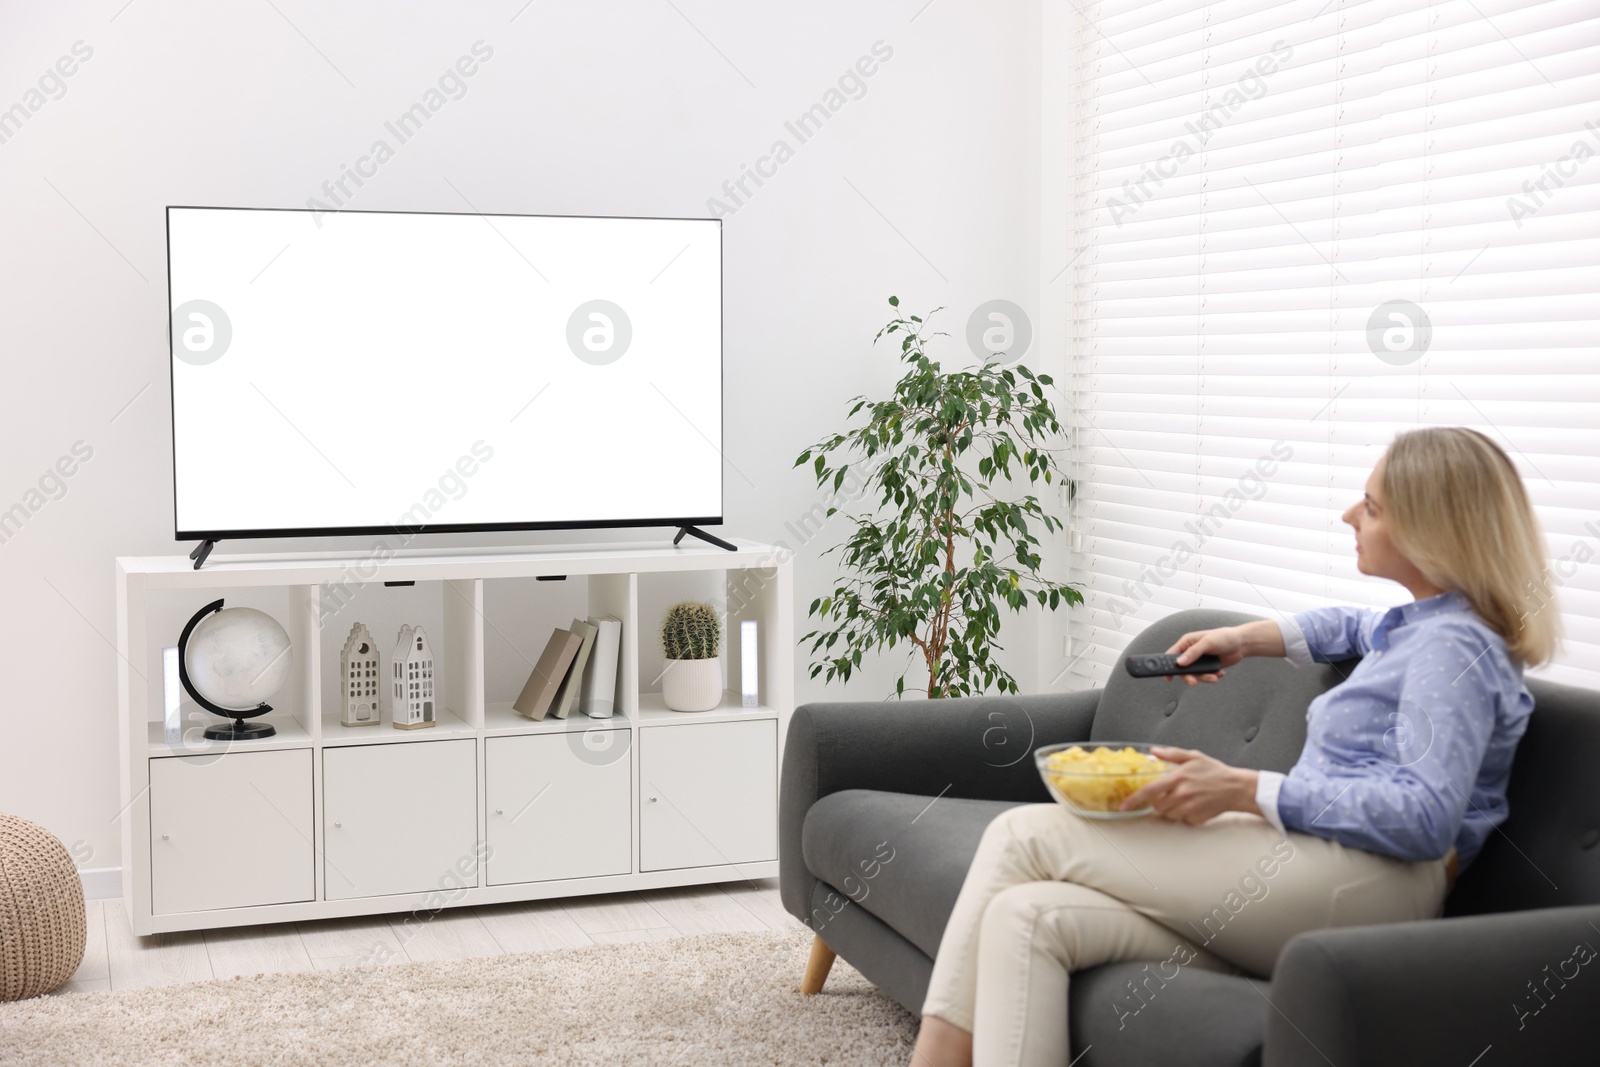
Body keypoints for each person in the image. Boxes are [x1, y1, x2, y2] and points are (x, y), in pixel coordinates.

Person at [910, 426, 1562, 1067]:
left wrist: (1248, 788)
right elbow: (1350, 626)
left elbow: (1424, 817)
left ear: (1432, 533)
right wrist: (1246, 639)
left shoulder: (1454, 647)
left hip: (1373, 884)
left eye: (1372, 507)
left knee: (1023, 835)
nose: (1349, 515)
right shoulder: (1425, 624)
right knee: (1026, 916)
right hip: (1329, 877)